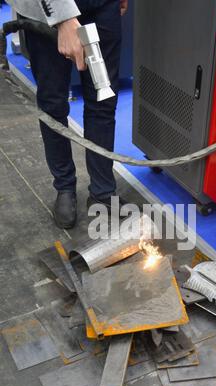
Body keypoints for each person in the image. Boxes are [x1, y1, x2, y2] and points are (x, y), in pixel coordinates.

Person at [6, 0, 128, 228]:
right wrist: (62, 18)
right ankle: (64, 187)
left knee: (104, 97)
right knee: (53, 104)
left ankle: (103, 190)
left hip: (102, 6)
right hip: (45, 10)